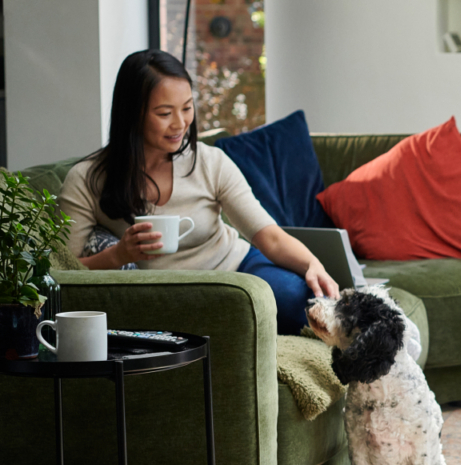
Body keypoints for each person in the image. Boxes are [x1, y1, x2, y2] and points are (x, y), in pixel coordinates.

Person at [57, 49, 337, 335]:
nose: (180, 123)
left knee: (296, 299)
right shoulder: (87, 179)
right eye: (165, 113)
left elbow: (269, 236)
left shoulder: (209, 161)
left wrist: (312, 264)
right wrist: (118, 255)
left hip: (237, 269)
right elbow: (63, 273)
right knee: (222, 318)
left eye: (187, 107)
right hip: (167, 296)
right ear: (132, 113)